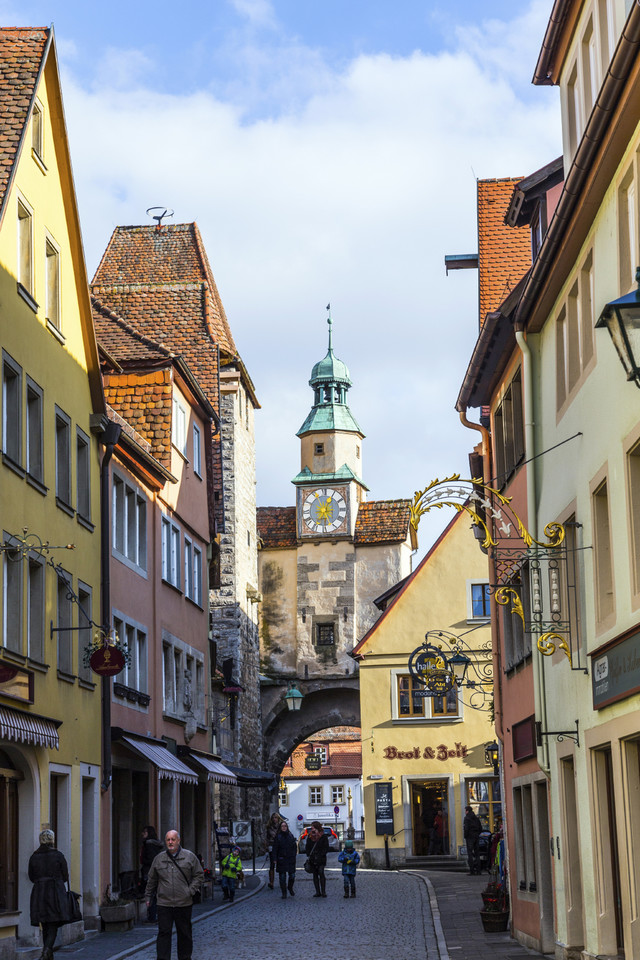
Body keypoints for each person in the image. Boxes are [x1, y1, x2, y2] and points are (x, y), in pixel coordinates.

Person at [145, 829, 204, 960]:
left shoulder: (189, 857)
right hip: (164, 903)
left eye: (173, 839)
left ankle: (185, 958)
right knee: (163, 933)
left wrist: (190, 891)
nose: (170, 842)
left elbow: (199, 875)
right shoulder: (159, 859)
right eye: (168, 840)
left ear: (178, 841)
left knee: (185, 934)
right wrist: (148, 896)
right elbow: (152, 879)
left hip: (183, 903)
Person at [28, 829, 70, 960]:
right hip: (55, 892)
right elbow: (65, 876)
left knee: (45, 923)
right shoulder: (58, 855)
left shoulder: (34, 856)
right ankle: (46, 951)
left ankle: (48, 953)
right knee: (52, 923)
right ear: (52, 840)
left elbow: (31, 876)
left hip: (39, 891)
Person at [140, 826, 164, 922]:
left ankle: (152, 917)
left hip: (149, 872)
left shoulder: (149, 845)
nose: (143, 833)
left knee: (150, 894)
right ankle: (154, 916)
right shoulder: (154, 844)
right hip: (155, 872)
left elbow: (151, 859)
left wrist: (144, 861)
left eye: (144, 832)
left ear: (149, 833)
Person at [272, 821, 297, 899]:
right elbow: (275, 849)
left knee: (292, 876)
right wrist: (275, 858)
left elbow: (294, 847)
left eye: (285, 826)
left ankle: (290, 887)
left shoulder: (290, 836)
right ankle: (284, 892)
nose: (284, 827)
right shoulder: (278, 837)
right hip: (281, 859)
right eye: (282, 826)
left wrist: (294, 855)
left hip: (290, 859)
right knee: (282, 877)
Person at [305, 821, 329, 898]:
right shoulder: (310, 837)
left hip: (321, 858)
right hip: (313, 859)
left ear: (317, 828)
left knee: (321, 872)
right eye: (312, 827)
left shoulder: (323, 837)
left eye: (313, 827)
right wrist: (309, 854)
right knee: (315, 874)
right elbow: (307, 847)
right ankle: (317, 892)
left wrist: (321, 854)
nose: (312, 829)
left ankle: (323, 891)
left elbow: (326, 847)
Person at [265, 811, 286, 889]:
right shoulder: (269, 827)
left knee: (281, 864)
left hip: (280, 847)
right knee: (272, 864)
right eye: (273, 818)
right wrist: (266, 846)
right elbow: (267, 838)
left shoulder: (282, 827)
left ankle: (282, 881)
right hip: (272, 846)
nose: (274, 819)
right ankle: (271, 882)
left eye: (276, 817)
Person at [463, 805, 483, 875]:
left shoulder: (467, 818)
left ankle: (472, 870)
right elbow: (480, 828)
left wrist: (465, 836)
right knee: (477, 854)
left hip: (470, 837)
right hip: (476, 836)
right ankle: (478, 870)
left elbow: (466, 829)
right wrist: (477, 834)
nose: (465, 812)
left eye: (465, 810)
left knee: (470, 854)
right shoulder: (476, 818)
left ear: (467, 811)